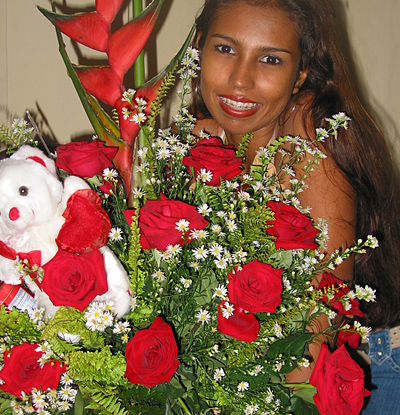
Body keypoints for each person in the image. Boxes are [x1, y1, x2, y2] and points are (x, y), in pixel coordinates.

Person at [190, 0, 400, 413]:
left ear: (301, 71)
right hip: (275, 379)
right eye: (225, 49)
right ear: (199, 48)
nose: (240, 79)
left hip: (367, 370)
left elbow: (321, 320)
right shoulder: (203, 142)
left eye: (270, 59)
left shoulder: (306, 128)